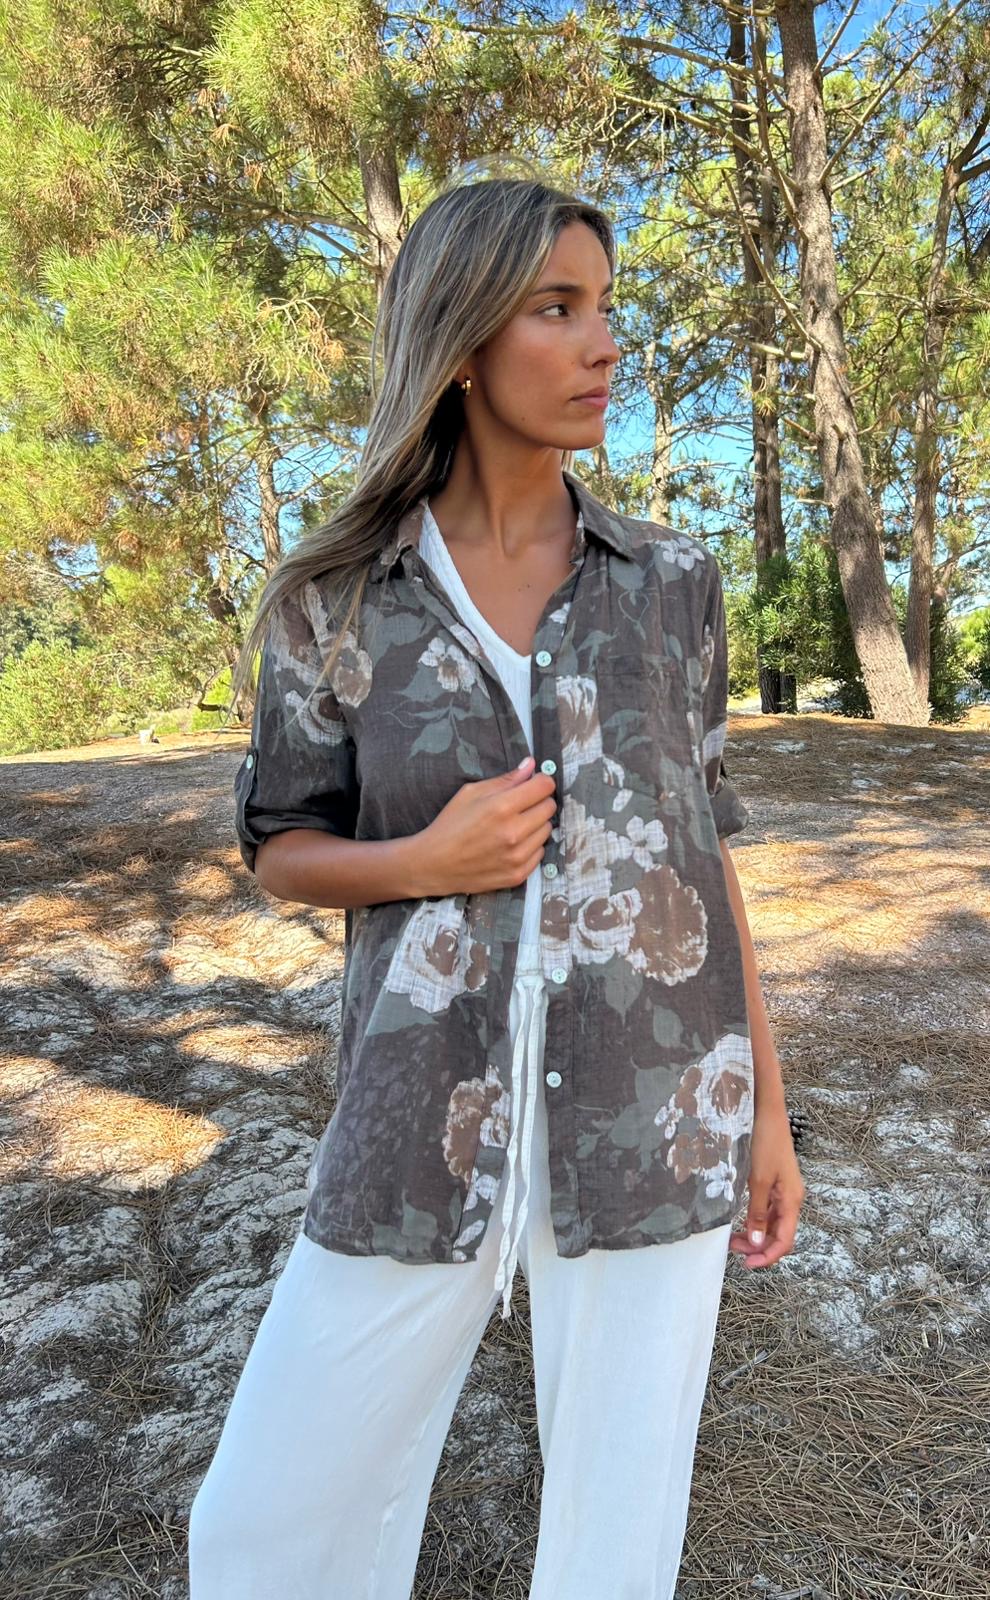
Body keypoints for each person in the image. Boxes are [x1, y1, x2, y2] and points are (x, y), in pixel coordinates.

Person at [188, 170, 805, 1600]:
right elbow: (280, 841)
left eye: (607, 307)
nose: (604, 344)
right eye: (557, 309)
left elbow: (702, 853)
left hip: (657, 1108)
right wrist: (424, 861)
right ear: (463, 339)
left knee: (615, 1541)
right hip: (422, 1112)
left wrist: (768, 1112)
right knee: (269, 1520)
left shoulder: (670, 583)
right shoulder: (336, 597)